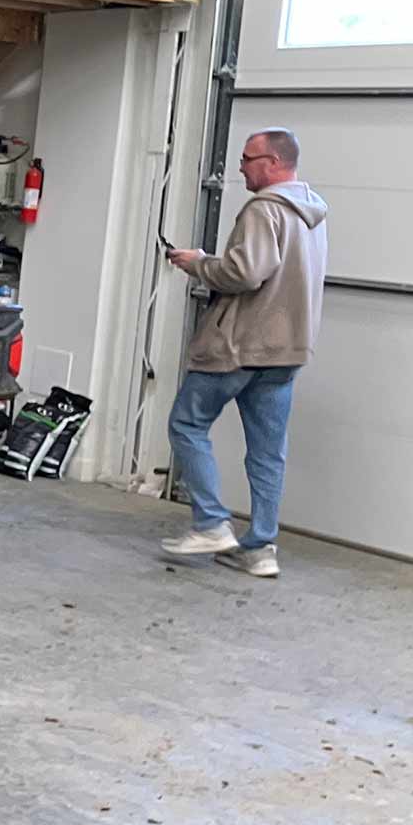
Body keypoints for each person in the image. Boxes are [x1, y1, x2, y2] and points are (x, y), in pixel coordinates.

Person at [159, 129, 328, 577]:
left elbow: (245, 273)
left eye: (246, 158)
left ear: (272, 163)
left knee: (187, 424)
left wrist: (198, 263)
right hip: (286, 351)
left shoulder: (264, 209)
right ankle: (260, 548)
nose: (239, 167)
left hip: (242, 346)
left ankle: (212, 523)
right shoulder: (311, 212)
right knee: (268, 451)